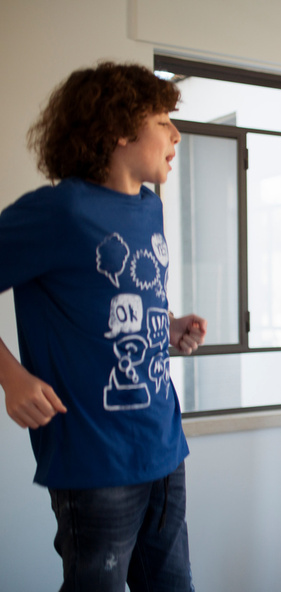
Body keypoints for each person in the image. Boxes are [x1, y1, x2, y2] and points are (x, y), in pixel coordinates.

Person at [0, 61, 206, 592]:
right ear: (119, 128)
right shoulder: (59, 211)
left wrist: (168, 326)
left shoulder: (148, 207)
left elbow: (117, 301)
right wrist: (11, 377)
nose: (175, 134)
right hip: (94, 459)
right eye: (163, 120)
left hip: (164, 447)